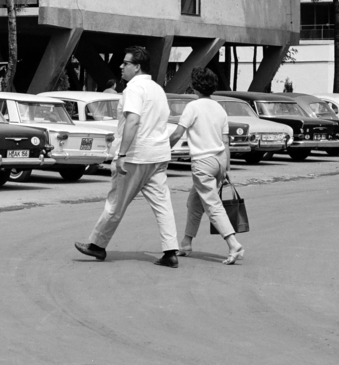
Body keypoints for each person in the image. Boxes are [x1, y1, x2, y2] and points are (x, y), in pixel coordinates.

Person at [75, 46, 180, 267]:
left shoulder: (134, 89)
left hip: (135, 156)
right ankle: (170, 251)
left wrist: (121, 153)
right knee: (163, 205)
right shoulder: (157, 89)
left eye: (126, 63)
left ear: (137, 66)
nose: (121, 67)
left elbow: (133, 120)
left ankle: (97, 245)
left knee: (116, 203)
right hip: (158, 155)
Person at [173, 67, 245, 265]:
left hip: (203, 162)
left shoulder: (193, 107)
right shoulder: (219, 109)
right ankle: (186, 242)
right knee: (194, 202)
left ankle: (233, 243)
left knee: (212, 204)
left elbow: (178, 134)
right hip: (220, 160)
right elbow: (226, 141)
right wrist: (227, 168)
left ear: (195, 86)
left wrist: (163, 150)